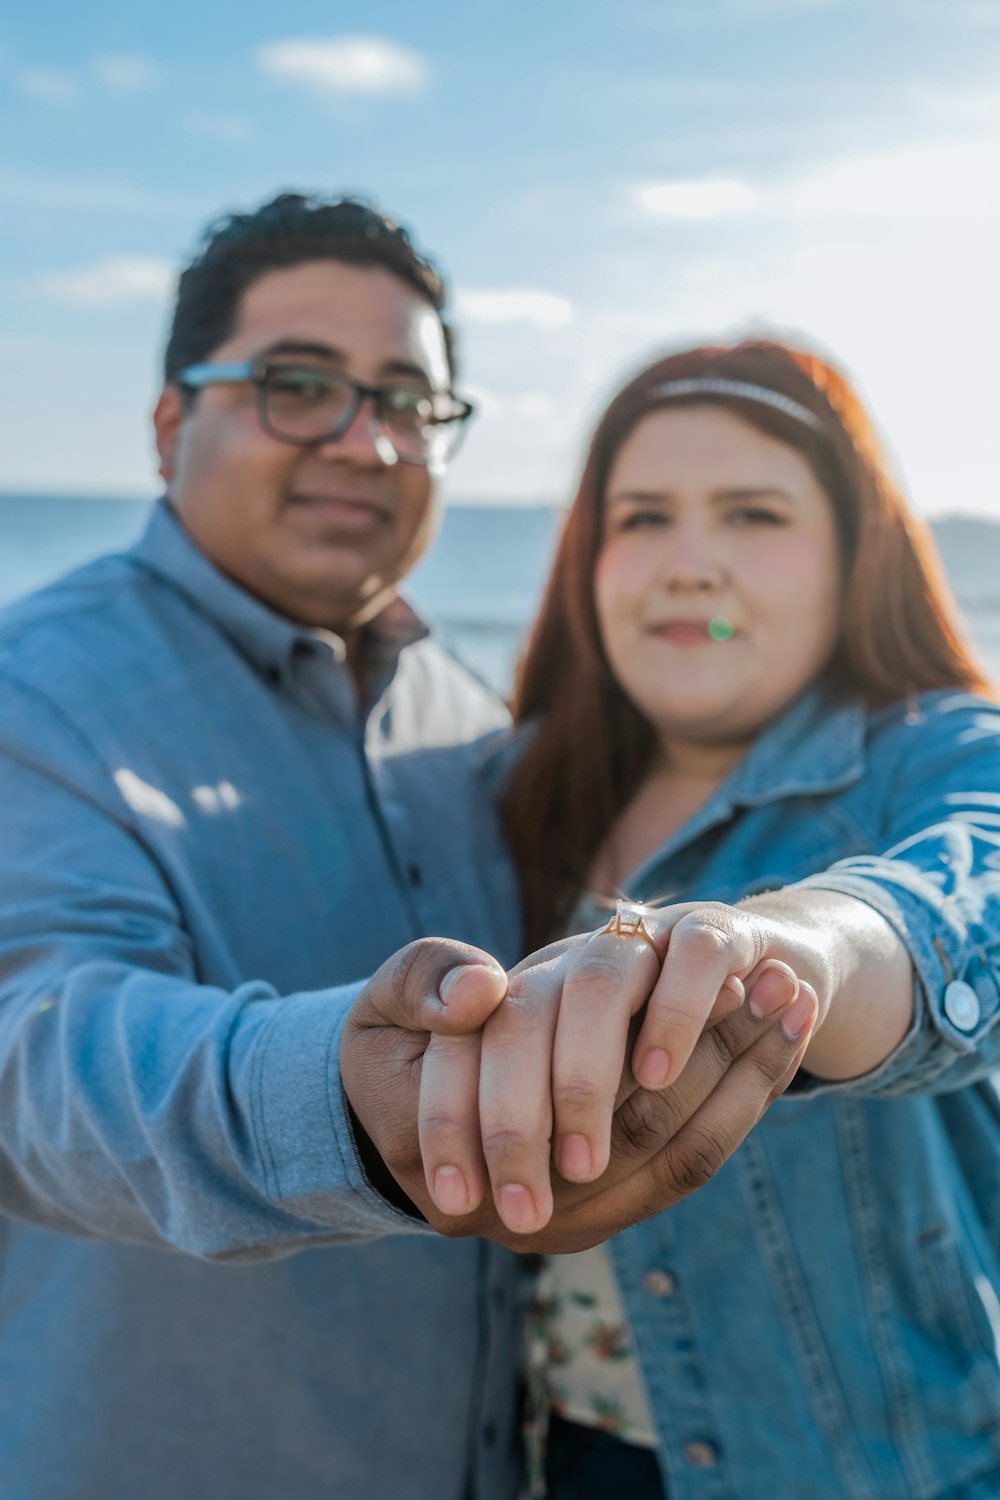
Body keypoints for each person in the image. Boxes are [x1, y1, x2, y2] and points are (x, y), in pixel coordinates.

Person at [0, 196, 812, 1500]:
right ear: (168, 427)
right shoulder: (34, 694)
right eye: (298, 386)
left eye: (409, 402)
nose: (366, 443)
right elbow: (41, 1055)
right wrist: (343, 1102)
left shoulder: (470, 720)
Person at [500, 340, 1000, 1500]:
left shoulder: (933, 751)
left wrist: (803, 945)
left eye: (751, 515)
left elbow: (967, 894)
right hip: (564, 1455)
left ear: (850, 557)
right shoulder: (511, 793)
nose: (689, 567)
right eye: (642, 517)